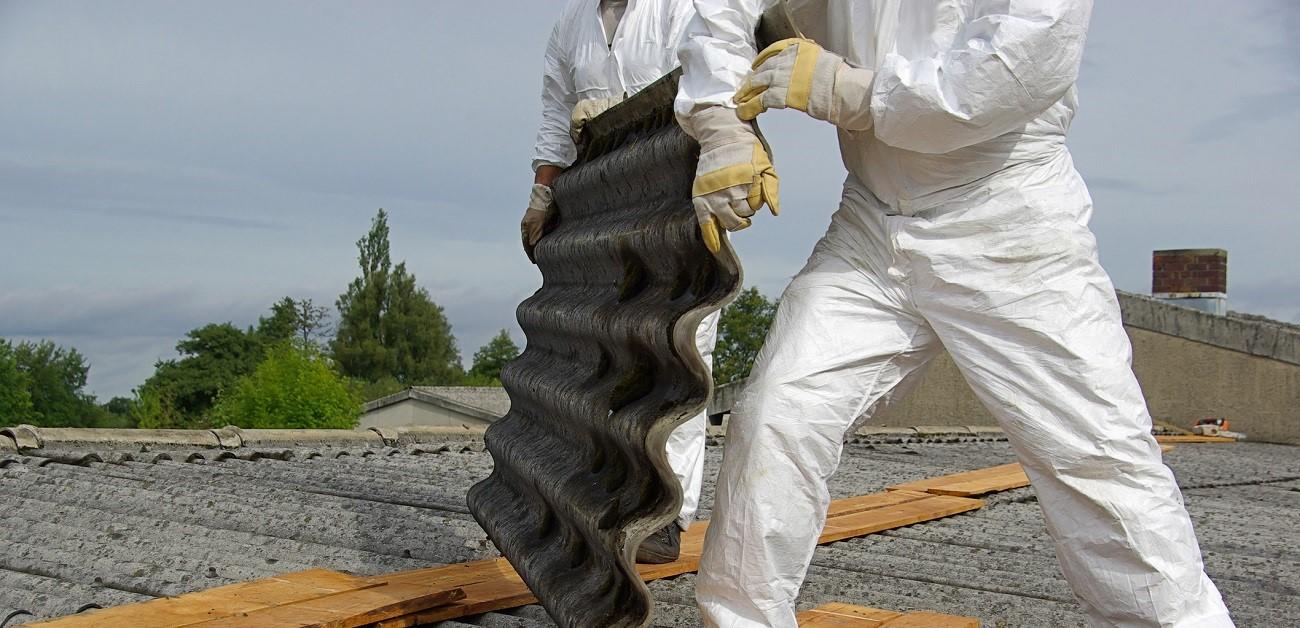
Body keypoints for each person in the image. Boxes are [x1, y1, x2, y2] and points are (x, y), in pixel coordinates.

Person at [674, 1, 1235, 626]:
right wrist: (722, 125)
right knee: (777, 414)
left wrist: (843, 87)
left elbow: (1007, 74)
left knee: (1094, 457)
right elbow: (723, 10)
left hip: (1006, 220)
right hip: (871, 220)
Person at [523, 0, 714, 564]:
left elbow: (720, 83)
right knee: (607, 350)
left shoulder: (685, 8)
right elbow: (557, 115)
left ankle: (667, 513)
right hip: (602, 202)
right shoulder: (572, 25)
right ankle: (606, 494)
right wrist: (543, 191)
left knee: (680, 350)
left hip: (681, 192)